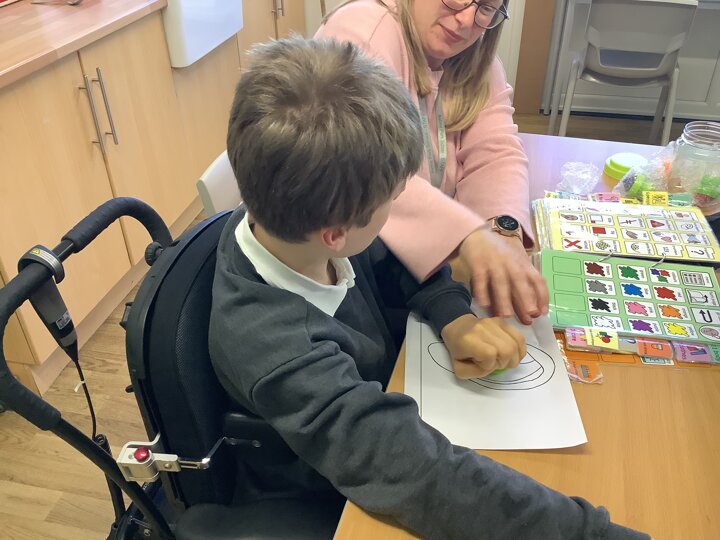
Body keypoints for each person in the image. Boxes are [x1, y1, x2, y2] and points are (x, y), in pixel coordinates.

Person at [209, 36, 648, 539]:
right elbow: (416, 472)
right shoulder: (280, 350)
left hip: (379, 419)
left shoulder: (298, 221)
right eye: (392, 201)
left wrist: (453, 316)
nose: (396, 209)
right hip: (325, 494)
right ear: (336, 234)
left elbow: (394, 261)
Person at [316, 0, 549, 325]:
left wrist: (502, 230)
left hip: (423, 280)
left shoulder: (478, 59)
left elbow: (496, 151)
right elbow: (367, 169)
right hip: (353, 275)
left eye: (486, 7)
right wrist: (469, 236)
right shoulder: (361, 31)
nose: (466, 19)